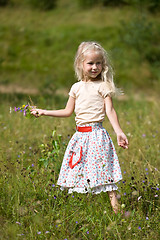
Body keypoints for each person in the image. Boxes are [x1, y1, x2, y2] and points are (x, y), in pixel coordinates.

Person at [31, 41, 128, 213]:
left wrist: (119, 131)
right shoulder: (76, 87)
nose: (94, 67)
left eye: (98, 63)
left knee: (105, 172)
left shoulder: (103, 86)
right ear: (80, 64)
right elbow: (68, 111)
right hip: (80, 138)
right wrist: (44, 111)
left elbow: (110, 111)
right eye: (90, 63)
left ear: (103, 65)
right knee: (77, 170)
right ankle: (79, 210)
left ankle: (117, 210)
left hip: (97, 136)